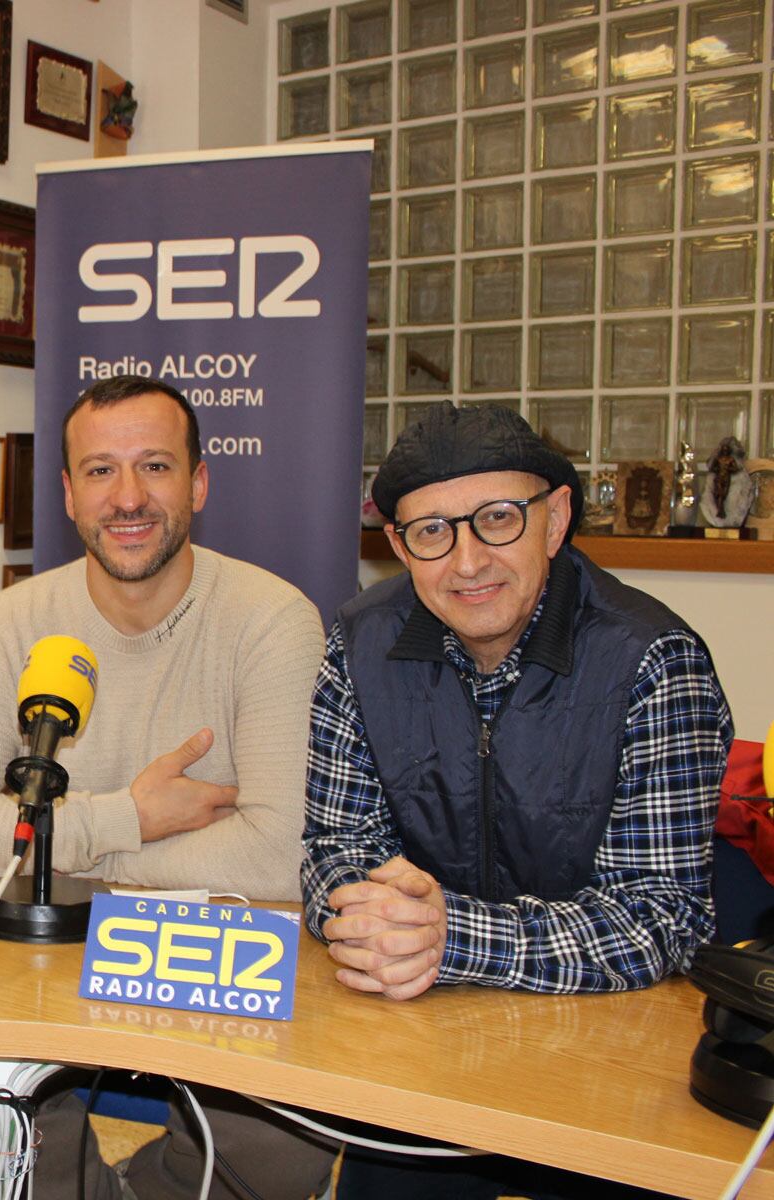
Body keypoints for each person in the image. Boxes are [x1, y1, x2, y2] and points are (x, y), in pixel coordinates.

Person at [0, 376, 335, 1200]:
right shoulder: (11, 623)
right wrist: (128, 819)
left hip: (208, 969)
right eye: (100, 471)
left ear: (199, 483)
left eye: (155, 468)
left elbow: (281, 858)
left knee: (288, 1135)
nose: (128, 497)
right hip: (37, 966)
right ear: (67, 494)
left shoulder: (273, 621)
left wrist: (56, 872)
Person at [303, 401, 732, 1198]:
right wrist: (370, 916)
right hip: (420, 1031)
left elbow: (665, 917)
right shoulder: (357, 645)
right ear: (397, 545)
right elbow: (334, 848)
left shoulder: (653, 663)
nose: (466, 562)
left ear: (556, 516)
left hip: (603, 1051)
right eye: (430, 531)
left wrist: (449, 938)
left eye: (497, 519)